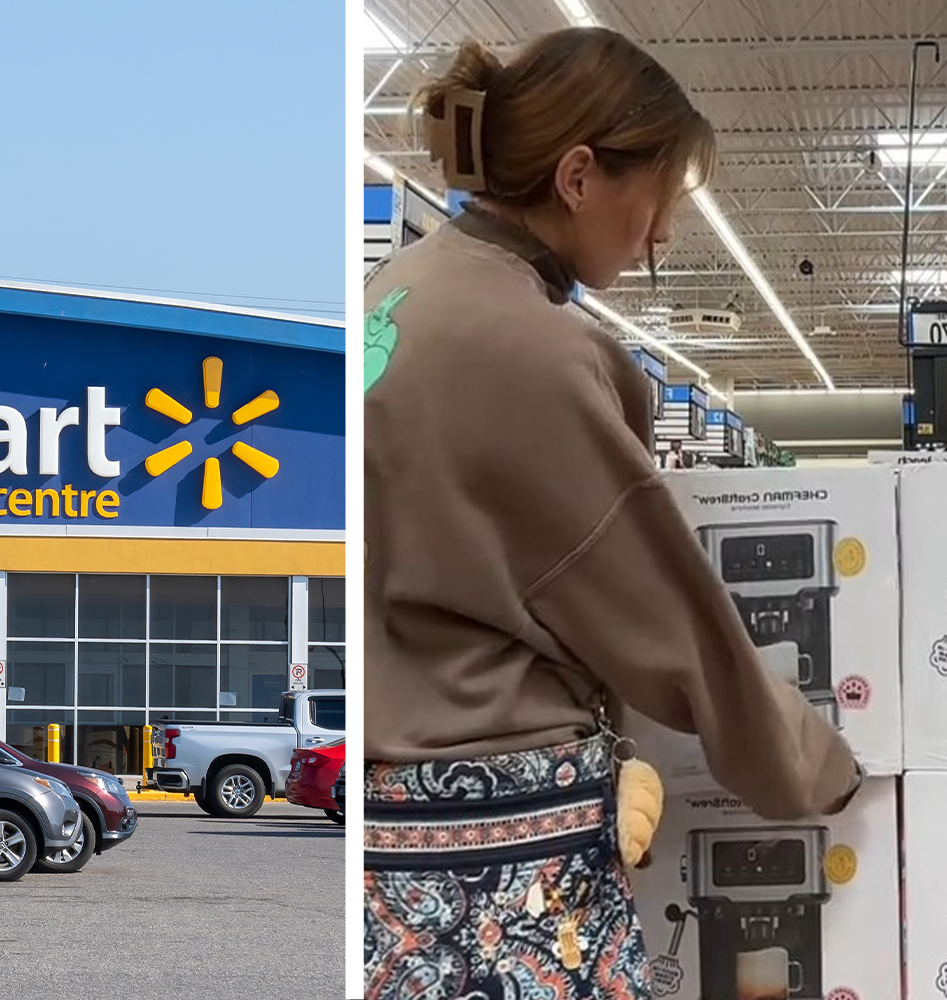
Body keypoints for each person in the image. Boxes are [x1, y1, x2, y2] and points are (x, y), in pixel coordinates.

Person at [360, 27, 861, 999]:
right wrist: (826, 771)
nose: (661, 236)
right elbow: (674, 626)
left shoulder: (398, 295)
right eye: (659, 198)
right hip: (511, 866)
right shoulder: (533, 353)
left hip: (389, 856)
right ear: (580, 175)